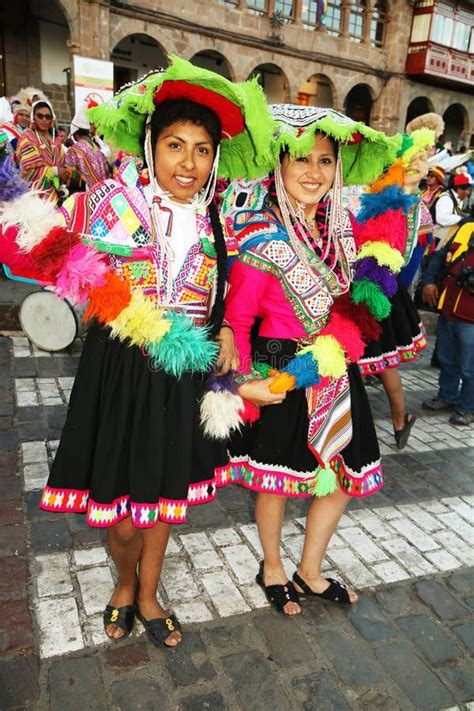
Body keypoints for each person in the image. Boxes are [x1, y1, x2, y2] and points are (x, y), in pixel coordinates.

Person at [0, 57, 271, 645]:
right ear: (152, 145)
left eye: (202, 150)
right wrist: (26, 220)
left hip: (181, 376)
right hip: (118, 372)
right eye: (176, 145)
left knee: (161, 498)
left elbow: (220, 295)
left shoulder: (215, 220)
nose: (189, 163)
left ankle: (146, 595)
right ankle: (124, 580)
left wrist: (223, 329)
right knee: (121, 512)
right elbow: (36, 252)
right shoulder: (109, 203)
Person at [218, 105, 431, 613]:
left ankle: (309, 569)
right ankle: (271, 565)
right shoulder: (257, 235)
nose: (314, 173)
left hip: (339, 370)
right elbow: (239, 320)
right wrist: (243, 387)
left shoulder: (343, 233)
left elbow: (378, 276)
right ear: (279, 167)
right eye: (301, 161)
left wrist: (400, 188)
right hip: (281, 370)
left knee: (343, 479)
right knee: (278, 482)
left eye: (325, 161)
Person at [420, 217, 474, 426]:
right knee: (447, 359)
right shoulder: (465, 226)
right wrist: (428, 281)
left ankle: (467, 407)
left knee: (470, 367)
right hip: (448, 309)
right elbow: (439, 256)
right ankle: (447, 396)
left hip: (470, 317)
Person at [16, 99, 68, 203]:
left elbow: (63, 166)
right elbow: (27, 170)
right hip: (33, 197)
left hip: (55, 197)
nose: (44, 119)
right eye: (40, 116)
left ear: (51, 120)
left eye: (47, 117)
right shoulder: (27, 138)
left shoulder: (57, 140)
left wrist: (65, 178)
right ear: (33, 118)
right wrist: (55, 171)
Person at [65, 106, 109, 190]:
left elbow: (69, 173)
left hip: (87, 191)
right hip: (103, 190)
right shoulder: (97, 146)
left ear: (75, 133)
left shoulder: (75, 149)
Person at [434, 173, 472, 248]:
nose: (468, 193)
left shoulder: (457, 199)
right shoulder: (446, 199)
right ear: (460, 189)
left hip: (443, 236)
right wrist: (461, 219)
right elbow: (441, 218)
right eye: (468, 190)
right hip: (436, 236)